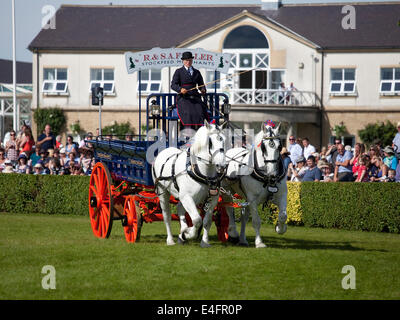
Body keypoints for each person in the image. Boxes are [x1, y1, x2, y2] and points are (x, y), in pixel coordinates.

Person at [171, 51, 208, 130]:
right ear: (183, 61)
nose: (188, 62)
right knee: (188, 113)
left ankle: (198, 131)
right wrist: (180, 89)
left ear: (192, 60)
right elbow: (173, 85)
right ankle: (186, 132)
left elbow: (201, 85)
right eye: (186, 60)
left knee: (199, 112)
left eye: (190, 60)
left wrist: (203, 90)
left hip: (195, 97)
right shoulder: (178, 72)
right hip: (183, 98)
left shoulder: (197, 72)